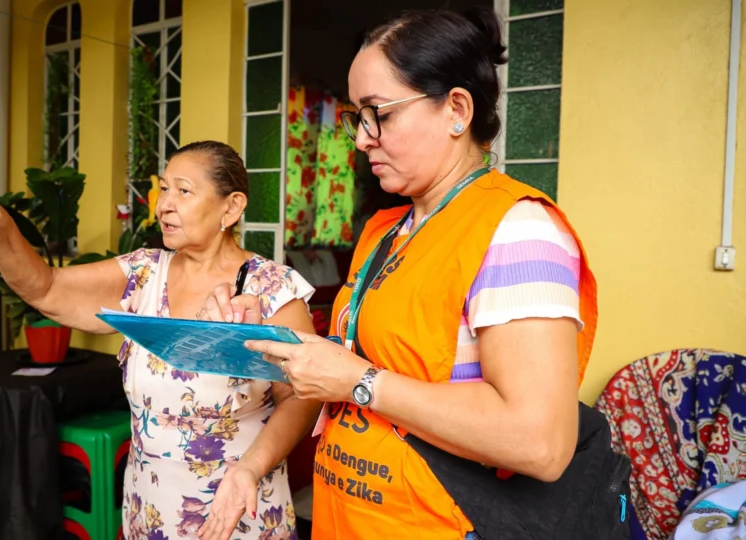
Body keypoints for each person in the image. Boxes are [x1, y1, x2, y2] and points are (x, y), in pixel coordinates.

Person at [207, 8, 598, 539]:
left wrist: (359, 382)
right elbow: (363, 357)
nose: (362, 139)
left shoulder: (516, 229)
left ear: (456, 109)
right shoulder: (386, 230)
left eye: (379, 114)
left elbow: (541, 443)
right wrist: (267, 337)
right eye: (357, 118)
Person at [0, 141, 320, 540]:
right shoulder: (143, 274)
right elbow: (46, 288)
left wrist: (250, 469)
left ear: (231, 207)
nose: (164, 205)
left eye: (183, 190)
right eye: (164, 188)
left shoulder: (271, 288)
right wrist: (1, 235)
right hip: (149, 508)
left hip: (238, 507)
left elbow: (301, 396)